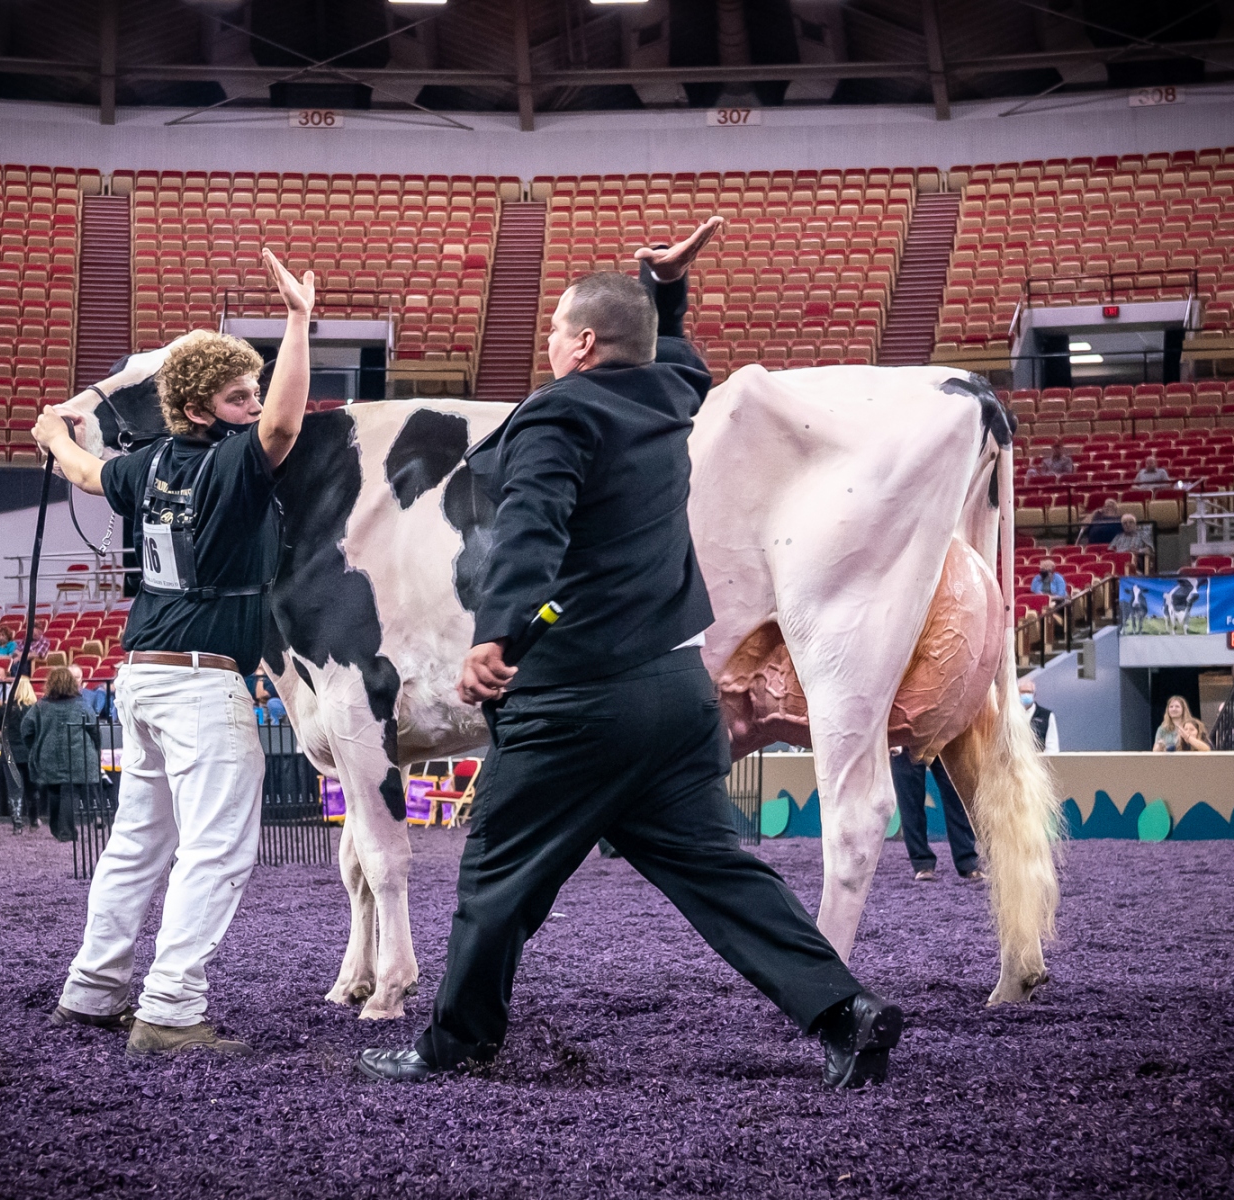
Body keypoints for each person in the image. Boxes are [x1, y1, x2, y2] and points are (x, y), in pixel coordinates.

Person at [356, 218, 898, 1092]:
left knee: (497, 877)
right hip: (676, 695)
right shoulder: (667, 397)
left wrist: (498, 634)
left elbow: (532, 530)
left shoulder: (559, 411)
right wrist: (665, 293)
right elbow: (676, 358)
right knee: (716, 872)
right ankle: (844, 1011)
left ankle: (456, 1044)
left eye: (553, 330)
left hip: (576, 702)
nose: (546, 343)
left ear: (581, 344)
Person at [32, 247, 313, 1057]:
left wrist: (51, 433)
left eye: (254, 390)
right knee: (216, 849)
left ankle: (93, 991)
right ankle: (169, 1009)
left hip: (142, 677)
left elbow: (87, 472)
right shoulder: (233, 466)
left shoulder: (146, 464)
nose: (252, 405)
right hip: (201, 683)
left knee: (136, 843)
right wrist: (298, 322)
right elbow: (284, 427)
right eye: (237, 396)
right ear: (197, 409)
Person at [21, 666, 102, 843]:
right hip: (78, 756)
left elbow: (26, 729)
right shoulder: (82, 705)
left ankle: (57, 829)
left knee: (54, 790)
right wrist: (95, 748)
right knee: (70, 792)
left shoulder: (40, 706)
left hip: (49, 755)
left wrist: (36, 746)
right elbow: (94, 730)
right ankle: (66, 832)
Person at [889, 750, 983, 882]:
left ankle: (968, 862)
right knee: (910, 801)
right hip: (906, 742)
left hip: (944, 740)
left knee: (957, 796)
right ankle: (922, 864)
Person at [0, 673, 39, 832]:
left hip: (10, 753)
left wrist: (7, 740)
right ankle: (34, 821)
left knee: (14, 789)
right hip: (30, 753)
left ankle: (17, 824)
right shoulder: (35, 710)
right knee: (32, 789)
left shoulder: (4, 710)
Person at [1018, 677, 1059, 752]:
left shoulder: (1046, 715)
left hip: (1039, 757)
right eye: (1023, 692)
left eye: (1029, 692)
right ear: (1017, 693)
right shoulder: (1010, 715)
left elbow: (1052, 746)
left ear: (1034, 694)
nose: (1026, 694)